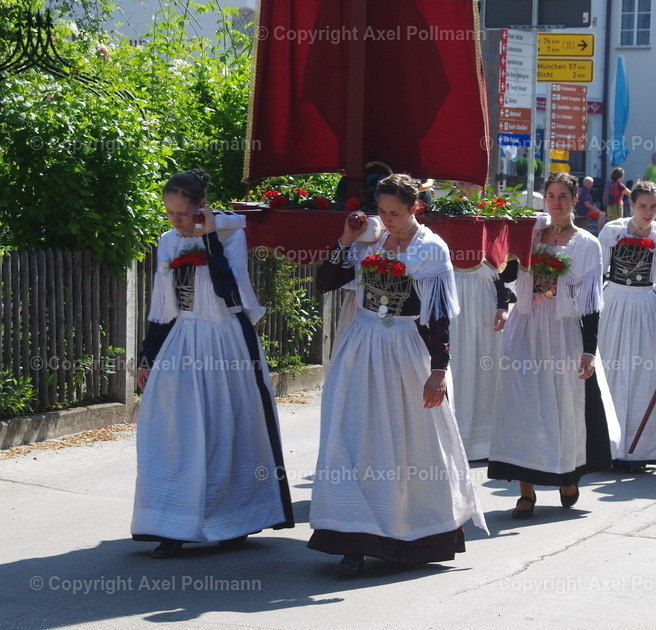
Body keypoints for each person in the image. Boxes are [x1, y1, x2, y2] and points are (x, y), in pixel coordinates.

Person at [309, 173, 486, 576]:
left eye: (395, 213)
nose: (387, 220)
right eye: (382, 211)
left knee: (408, 439)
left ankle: (411, 532)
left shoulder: (430, 249)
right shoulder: (369, 240)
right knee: (354, 435)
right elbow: (326, 282)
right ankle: (351, 538)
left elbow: (437, 317)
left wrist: (438, 371)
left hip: (405, 349)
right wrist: (346, 240)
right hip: (361, 346)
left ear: (415, 207)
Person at [133, 169, 294, 559]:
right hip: (183, 340)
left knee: (228, 430)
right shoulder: (168, 242)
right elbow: (163, 307)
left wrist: (209, 237)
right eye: (169, 213)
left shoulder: (229, 234)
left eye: (182, 213)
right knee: (176, 432)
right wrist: (147, 358)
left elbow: (230, 292)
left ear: (201, 208)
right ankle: (172, 524)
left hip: (226, 341)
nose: (175, 221)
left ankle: (235, 519)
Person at [488, 173, 615, 517]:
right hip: (525, 326)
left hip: (562, 332)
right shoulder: (530, 233)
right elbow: (504, 275)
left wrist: (589, 350)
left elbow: (590, 305)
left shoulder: (587, 244)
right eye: (551, 195)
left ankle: (566, 475)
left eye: (563, 196)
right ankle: (525, 492)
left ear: (575, 200)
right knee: (521, 405)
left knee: (561, 405)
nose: (556, 202)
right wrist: (507, 246)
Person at [598, 181, 656, 472]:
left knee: (644, 373)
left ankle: (640, 448)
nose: (648, 211)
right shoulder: (612, 231)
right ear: (631, 205)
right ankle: (606, 446)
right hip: (614, 302)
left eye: (654, 206)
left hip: (646, 304)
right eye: (642, 206)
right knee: (611, 369)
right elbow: (597, 274)